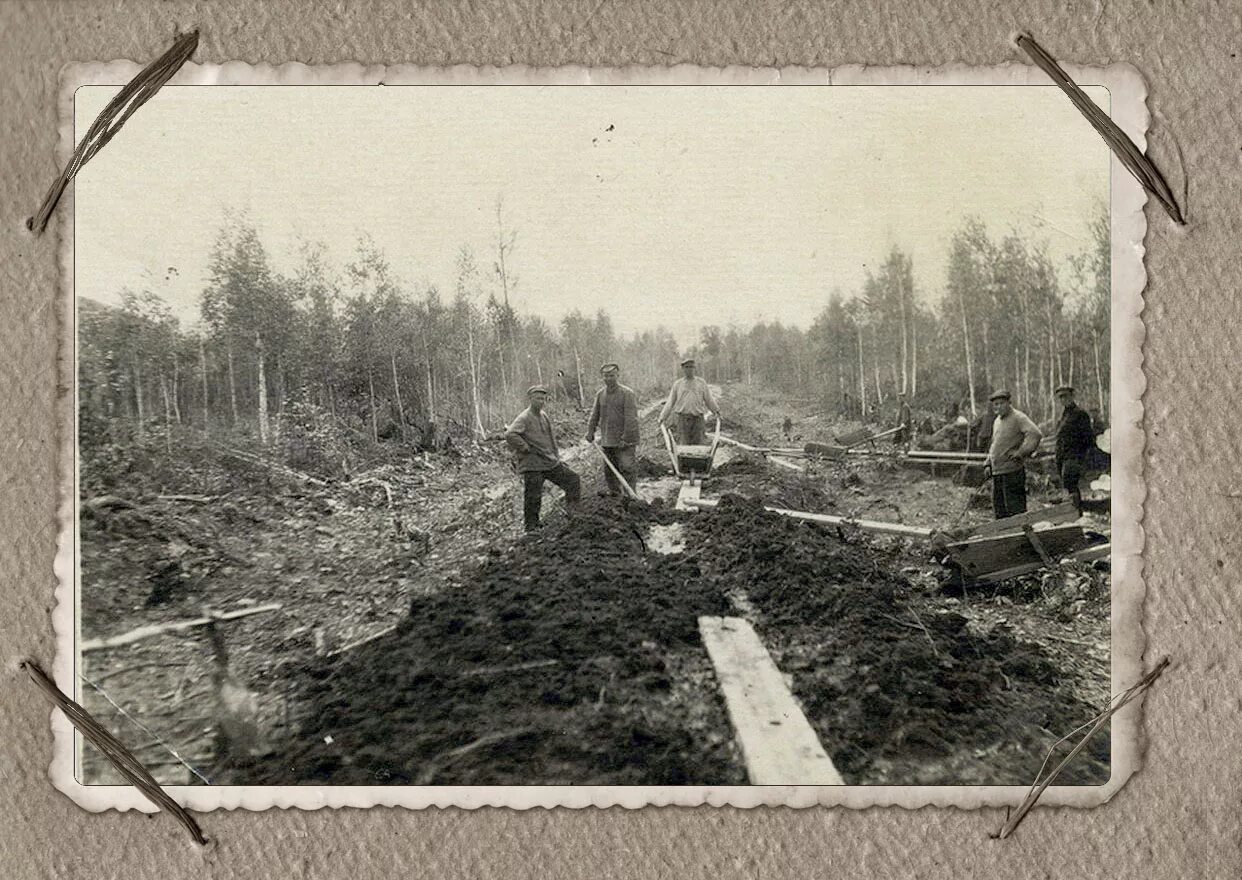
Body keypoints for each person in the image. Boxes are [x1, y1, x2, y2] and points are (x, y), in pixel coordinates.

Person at [505, 385, 581, 532]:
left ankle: (573, 513)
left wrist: (556, 457)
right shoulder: (524, 417)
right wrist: (524, 447)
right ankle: (531, 526)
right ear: (530, 399)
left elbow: (551, 439)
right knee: (533, 496)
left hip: (548, 462)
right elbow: (510, 434)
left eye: (543, 399)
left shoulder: (544, 415)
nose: (540, 401)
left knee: (573, 480)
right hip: (533, 464)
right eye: (537, 398)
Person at [985, 389, 1042, 519]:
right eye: (996, 404)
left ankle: (1019, 537)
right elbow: (995, 444)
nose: (998, 406)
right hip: (997, 472)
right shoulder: (997, 421)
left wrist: (1021, 452)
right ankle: (1004, 538)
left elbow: (1035, 434)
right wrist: (988, 463)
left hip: (1012, 472)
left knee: (1015, 511)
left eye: (1001, 403)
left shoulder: (1018, 417)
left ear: (1009, 403)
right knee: (1000, 510)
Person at [585, 363, 640, 496]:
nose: (609, 378)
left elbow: (631, 419)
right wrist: (590, 431)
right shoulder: (600, 394)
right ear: (602, 377)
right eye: (606, 376)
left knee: (627, 468)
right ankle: (615, 498)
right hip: (608, 440)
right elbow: (595, 415)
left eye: (611, 375)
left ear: (617, 375)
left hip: (624, 442)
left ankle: (630, 497)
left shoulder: (627, 394)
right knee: (610, 471)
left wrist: (625, 438)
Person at [658, 358, 720, 445]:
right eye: (687, 367)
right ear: (683, 369)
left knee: (699, 446)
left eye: (691, 367)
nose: (689, 369)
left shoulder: (701, 383)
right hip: (683, 421)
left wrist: (716, 411)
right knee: (683, 446)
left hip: (698, 420)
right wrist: (662, 417)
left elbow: (709, 399)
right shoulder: (678, 384)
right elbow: (670, 402)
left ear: (694, 368)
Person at [1054, 384, 1095, 515]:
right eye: (1060, 397)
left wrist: (1080, 456)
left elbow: (1088, 438)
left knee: (1071, 484)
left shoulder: (1080, 414)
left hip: (1074, 456)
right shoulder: (1064, 415)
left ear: (1072, 396)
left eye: (1065, 396)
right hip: (1063, 456)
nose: (1063, 399)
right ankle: (1074, 512)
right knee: (1068, 486)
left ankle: (1077, 512)